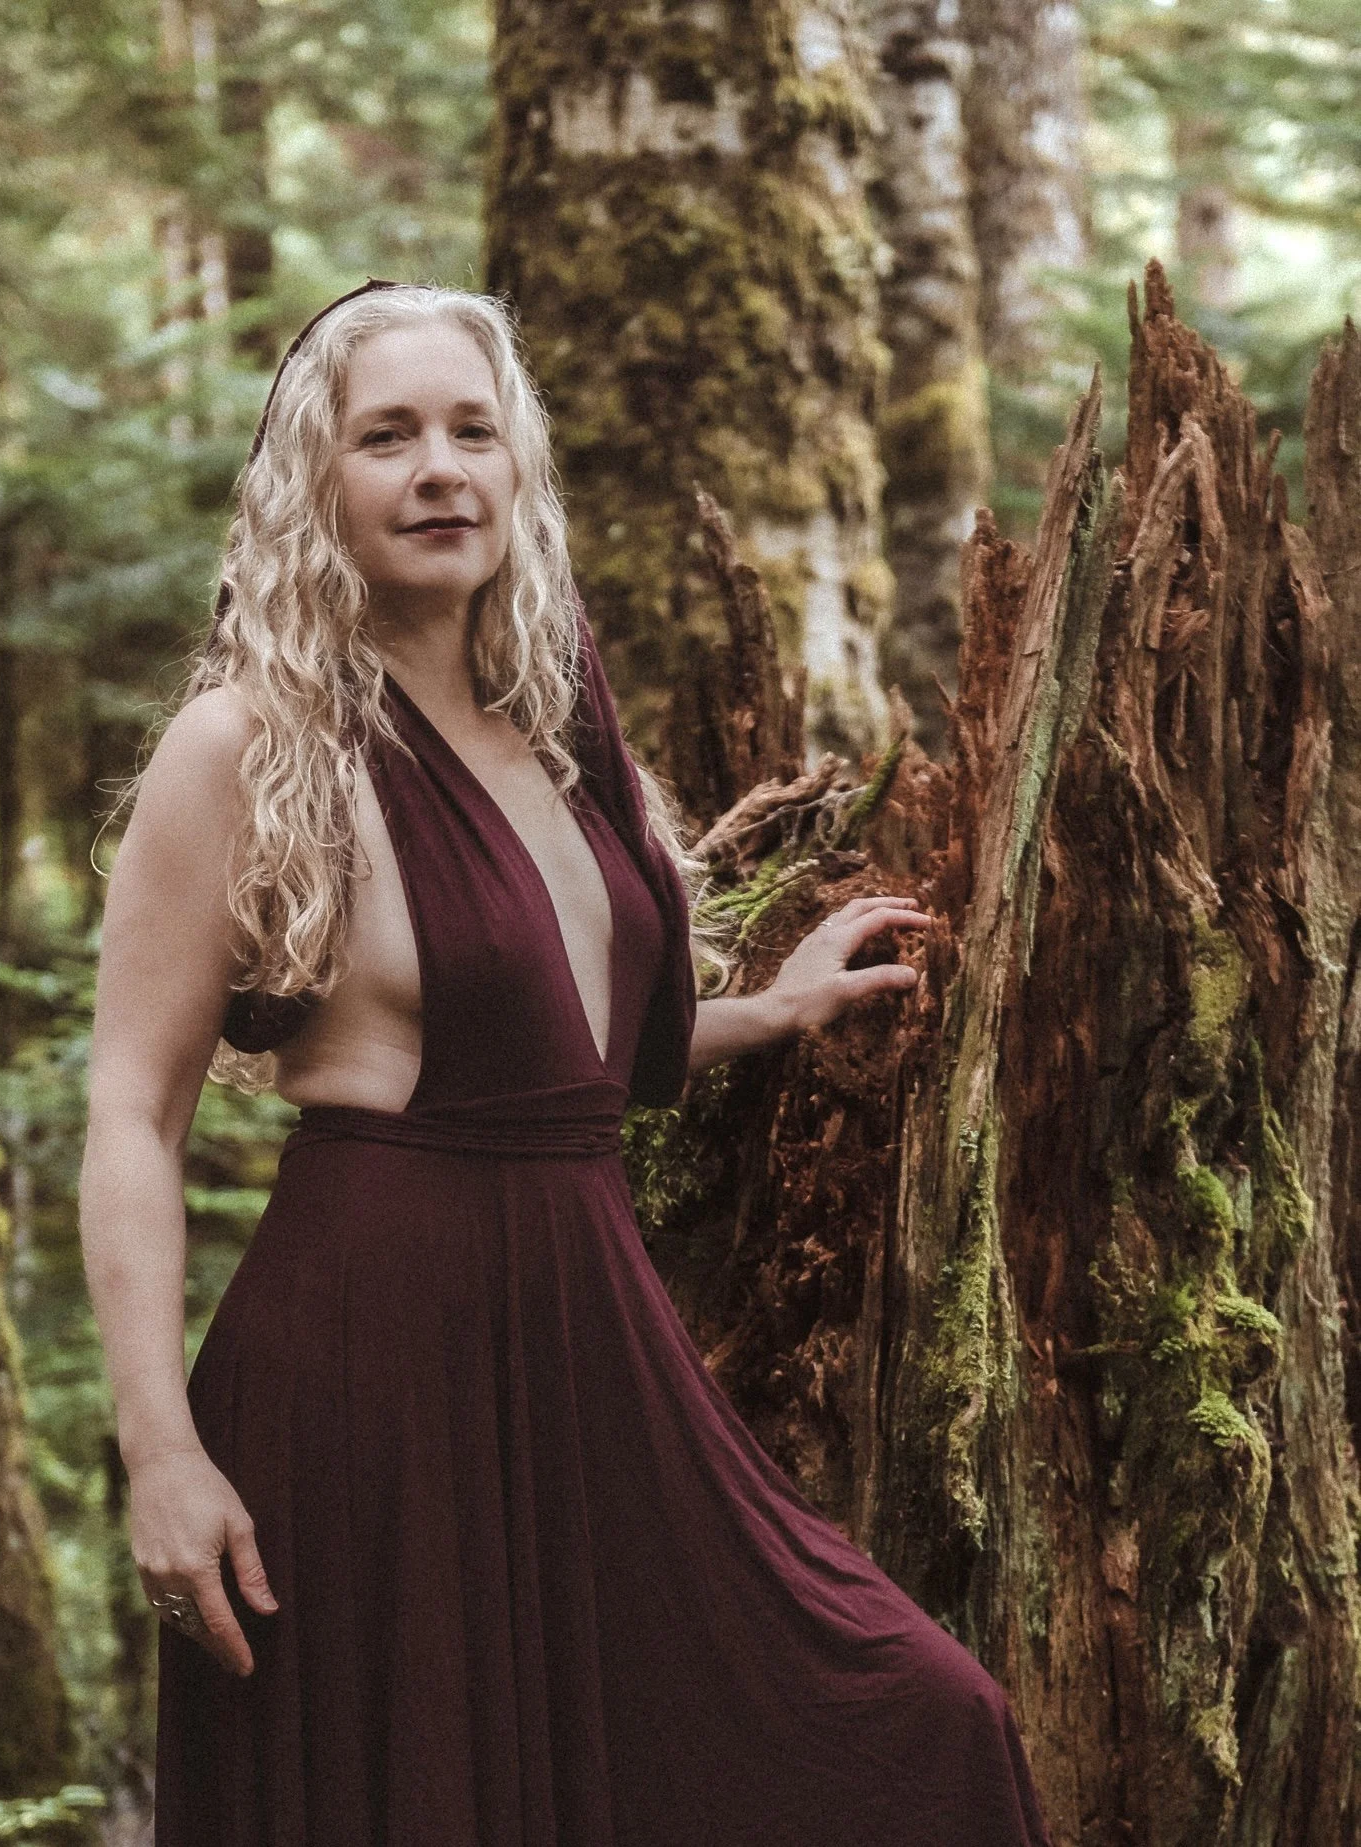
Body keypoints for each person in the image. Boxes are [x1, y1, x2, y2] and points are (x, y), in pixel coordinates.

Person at [78, 279, 1052, 1846]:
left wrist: (764, 1010)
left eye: (472, 430)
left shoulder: (552, 730)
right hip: (363, 1374)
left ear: (518, 469)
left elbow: (559, 1053)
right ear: (309, 484)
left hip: (586, 1342)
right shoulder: (244, 743)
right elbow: (132, 1107)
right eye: (385, 436)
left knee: (915, 1713)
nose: (438, 469)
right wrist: (158, 1450)